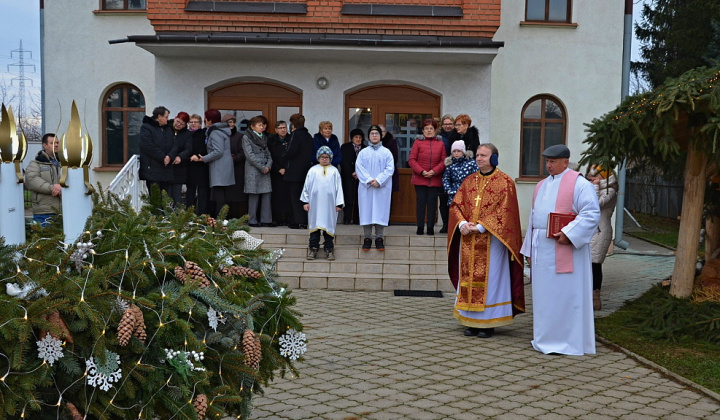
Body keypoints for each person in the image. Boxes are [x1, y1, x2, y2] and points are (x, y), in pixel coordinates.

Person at [520, 144, 600, 355]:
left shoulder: (579, 184)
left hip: (564, 248)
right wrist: (528, 248)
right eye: (547, 161)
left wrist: (569, 233)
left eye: (553, 161)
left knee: (565, 295)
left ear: (565, 162)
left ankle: (567, 341)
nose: (549, 165)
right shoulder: (541, 185)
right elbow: (533, 218)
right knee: (544, 297)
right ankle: (544, 338)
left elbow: (591, 213)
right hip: (541, 249)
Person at [447, 143, 525, 338]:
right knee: (468, 278)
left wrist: (482, 226)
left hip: (493, 240)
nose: (479, 158)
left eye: (484, 155)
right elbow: (456, 204)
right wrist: (462, 223)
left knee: (492, 279)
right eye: (478, 155)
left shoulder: (505, 182)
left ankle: (488, 323)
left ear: (494, 158)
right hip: (468, 240)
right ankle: (470, 321)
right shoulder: (469, 181)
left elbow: (506, 212)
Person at [356, 125, 395, 251]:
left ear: (381, 136)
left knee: (380, 211)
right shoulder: (363, 152)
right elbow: (359, 168)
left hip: (381, 188)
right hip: (366, 187)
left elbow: (389, 169)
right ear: (368, 136)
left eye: (376, 134)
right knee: (366, 211)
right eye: (372, 133)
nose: (374, 136)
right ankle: (367, 237)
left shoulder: (386, 152)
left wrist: (378, 181)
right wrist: (369, 180)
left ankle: (379, 237)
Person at [301, 146, 345, 260]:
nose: (324, 159)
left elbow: (338, 188)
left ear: (330, 158)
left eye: (326, 157)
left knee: (328, 228)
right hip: (315, 205)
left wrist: (339, 203)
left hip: (329, 206)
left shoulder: (334, 171)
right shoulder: (313, 170)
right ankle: (313, 248)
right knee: (315, 227)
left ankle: (329, 249)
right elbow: (306, 186)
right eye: (322, 157)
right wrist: (305, 201)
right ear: (318, 158)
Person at [191, 109, 234, 218]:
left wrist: (203, 158)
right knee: (222, 194)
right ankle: (222, 218)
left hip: (219, 166)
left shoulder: (215, 132)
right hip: (224, 166)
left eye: (206, 119)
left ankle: (220, 220)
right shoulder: (222, 130)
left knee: (219, 194)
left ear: (209, 120)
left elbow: (218, 151)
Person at [587, 164, 618, 310]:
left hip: (600, 231)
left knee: (595, 264)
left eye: (596, 176)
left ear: (604, 177)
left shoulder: (610, 190)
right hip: (591, 230)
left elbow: (595, 205)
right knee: (586, 264)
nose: (593, 179)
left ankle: (595, 300)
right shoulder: (597, 187)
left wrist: (595, 186)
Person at [408, 118, 446, 236]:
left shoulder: (440, 143)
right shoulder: (418, 142)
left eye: (431, 128)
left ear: (435, 130)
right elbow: (412, 160)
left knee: (432, 203)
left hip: (434, 178)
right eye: (426, 128)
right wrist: (422, 171)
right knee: (421, 203)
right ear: (423, 130)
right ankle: (420, 227)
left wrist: (434, 171)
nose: (429, 131)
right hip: (420, 178)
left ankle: (430, 227)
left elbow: (444, 160)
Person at [283, 113, 314, 229]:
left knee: (294, 198)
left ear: (293, 124)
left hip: (294, 172)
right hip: (305, 171)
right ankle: (304, 220)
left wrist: (284, 154)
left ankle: (297, 221)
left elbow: (291, 152)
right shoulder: (308, 136)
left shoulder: (295, 135)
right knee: (304, 197)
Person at [242, 115, 274, 227]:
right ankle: (252, 220)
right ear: (252, 126)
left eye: (263, 125)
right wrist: (261, 167)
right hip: (253, 168)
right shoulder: (246, 137)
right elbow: (249, 155)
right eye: (260, 125)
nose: (262, 127)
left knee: (266, 193)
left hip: (265, 167)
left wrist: (269, 165)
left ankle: (266, 219)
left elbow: (268, 153)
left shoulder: (264, 137)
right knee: (253, 194)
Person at [25, 133, 62, 226]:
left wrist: (62, 188)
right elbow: (31, 180)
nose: (56, 145)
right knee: (44, 239)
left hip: (63, 210)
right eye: (52, 143)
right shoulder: (36, 163)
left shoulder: (64, 163)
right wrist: (52, 188)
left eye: (57, 142)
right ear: (44, 145)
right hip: (43, 211)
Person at [139, 106, 173, 198]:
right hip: (152, 170)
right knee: (155, 199)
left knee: (166, 199)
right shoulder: (146, 128)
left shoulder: (167, 128)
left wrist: (170, 156)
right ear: (159, 116)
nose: (167, 119)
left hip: (166, 171)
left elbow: (174, 144)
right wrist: (163, 157)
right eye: (166, 117)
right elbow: (147, 146)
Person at [186, 114, 211, 215]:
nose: (193, 124)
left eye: (195, 122)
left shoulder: (204, 134)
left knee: (202, 193)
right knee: (190, 192)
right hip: (189, 166)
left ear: (200, 124)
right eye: (191, 122)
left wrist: (198, 156)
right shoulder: (186, 134)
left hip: (201, 166)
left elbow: (207, 148)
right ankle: (189, 215)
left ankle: (203, 215)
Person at [339, 128, 366, 225]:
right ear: (352, 138)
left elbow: (366, 163)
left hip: (361, 178)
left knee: (359, 199)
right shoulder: (345, 147)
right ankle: (347, 219)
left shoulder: (365, 148)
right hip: (347, 176)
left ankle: (357, 219)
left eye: (360, 137)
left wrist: (359, 173)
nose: (358, 139)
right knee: (348, 198)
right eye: (356, 137)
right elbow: (343, 162)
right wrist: (351, 172)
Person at [224, 114, 248, 219]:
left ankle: (235, 218)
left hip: (236, 169)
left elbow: (243, 153)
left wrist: (232, 160)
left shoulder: (240, 136)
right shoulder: (221, 135)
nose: (232, 124)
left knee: (235, 196)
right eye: (229, 122)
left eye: (233, 122)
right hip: (223, 171)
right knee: (224, 196)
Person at [268, 120, 291, 225]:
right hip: (276, 172)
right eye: (280, 128)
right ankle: (277, 218)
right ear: (276, 130)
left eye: (284, 127)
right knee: (277, 196)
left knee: (287, 196)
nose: (283, 130)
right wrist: (278, 169)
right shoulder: (271, 141)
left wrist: (287, 168)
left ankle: (287, 218)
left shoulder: (291, 139)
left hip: (289, 172)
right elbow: (270, 156)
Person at [442, 140, 478, 206]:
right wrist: (448, 189)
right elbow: (446, 178)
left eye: (458, 151)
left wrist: (472, 189)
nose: (456, 153)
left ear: (463, 152)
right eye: (454, 151)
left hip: (468, 192)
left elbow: (476, 176)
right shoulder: (450, 164)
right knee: (455, 213)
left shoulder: (471, 163)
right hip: (454, 193)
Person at [168, 112, 193, 208]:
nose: (178, 125)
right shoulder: (166, 129)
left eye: (182, 124)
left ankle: (177, 217)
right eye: (178, 121)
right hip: (165, 166)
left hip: (179, 168)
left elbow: (188, 149)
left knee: (177, 194)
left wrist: (180, 157)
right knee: (166, 195)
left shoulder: (187, 134)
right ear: (175, 118)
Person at [437, 114, 456, 233]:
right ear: (442, 125)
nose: (447, 126)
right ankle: (445, 224)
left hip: (457, 171)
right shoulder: (438, 137)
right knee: (443, 199)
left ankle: (454, 224)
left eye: (450, 124)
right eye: (445, 124)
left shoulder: (457, 136)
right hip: (442, 172)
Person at [379, 124, 399, 194]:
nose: (381, 133)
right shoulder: (372, 143)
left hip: (389, 174)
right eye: (379, 131)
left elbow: (395, 158)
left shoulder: (391, 142)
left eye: (383, 131)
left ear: (386, 132)